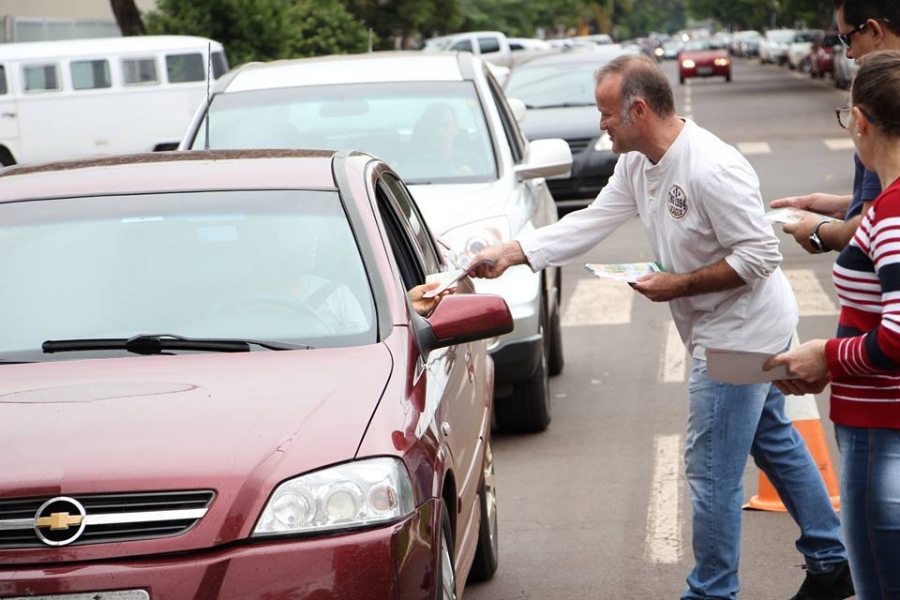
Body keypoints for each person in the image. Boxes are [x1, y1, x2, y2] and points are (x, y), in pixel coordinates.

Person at [467, 53, 852, 600]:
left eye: (606, 114)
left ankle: (712, 591)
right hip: (730, 326)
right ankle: (832, 560)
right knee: (772, 439)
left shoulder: (711, 167)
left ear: (638, 110)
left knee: (711, 470)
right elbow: (595, 219)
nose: (600, 124)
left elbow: (760, 256)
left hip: (739, 332)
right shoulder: (637, 163)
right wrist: (515, 251)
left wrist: (678, 284)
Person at [766, 50, 900, 599]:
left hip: (881, 430)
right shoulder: (883, 208)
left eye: (847, 118)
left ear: (862, 121)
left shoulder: (892, 213)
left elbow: (896, 336)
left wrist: (827, 356)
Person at [770, 0, 900, 254]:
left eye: (846, 38)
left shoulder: (883, 101)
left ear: (874, 30)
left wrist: (819, 231)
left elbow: (875, 223)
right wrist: (842, 206)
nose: (849, 53)